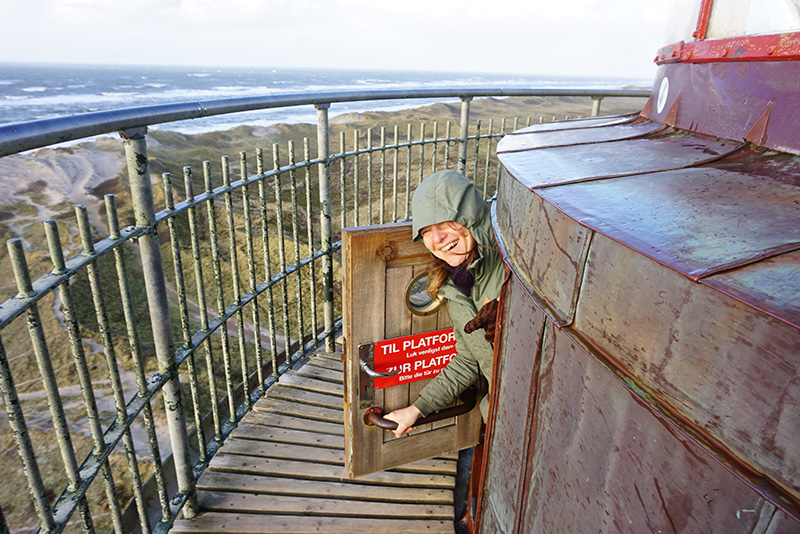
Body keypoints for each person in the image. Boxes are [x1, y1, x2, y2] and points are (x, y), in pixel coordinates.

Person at [384, 169, 505, 438]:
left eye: (445, 223)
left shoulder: (513, 263)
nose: (436, 239)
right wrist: (417, 408)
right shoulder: (454, 287)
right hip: (502, 417)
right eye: (427, 231)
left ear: (471, 218)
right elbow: (470, 360)